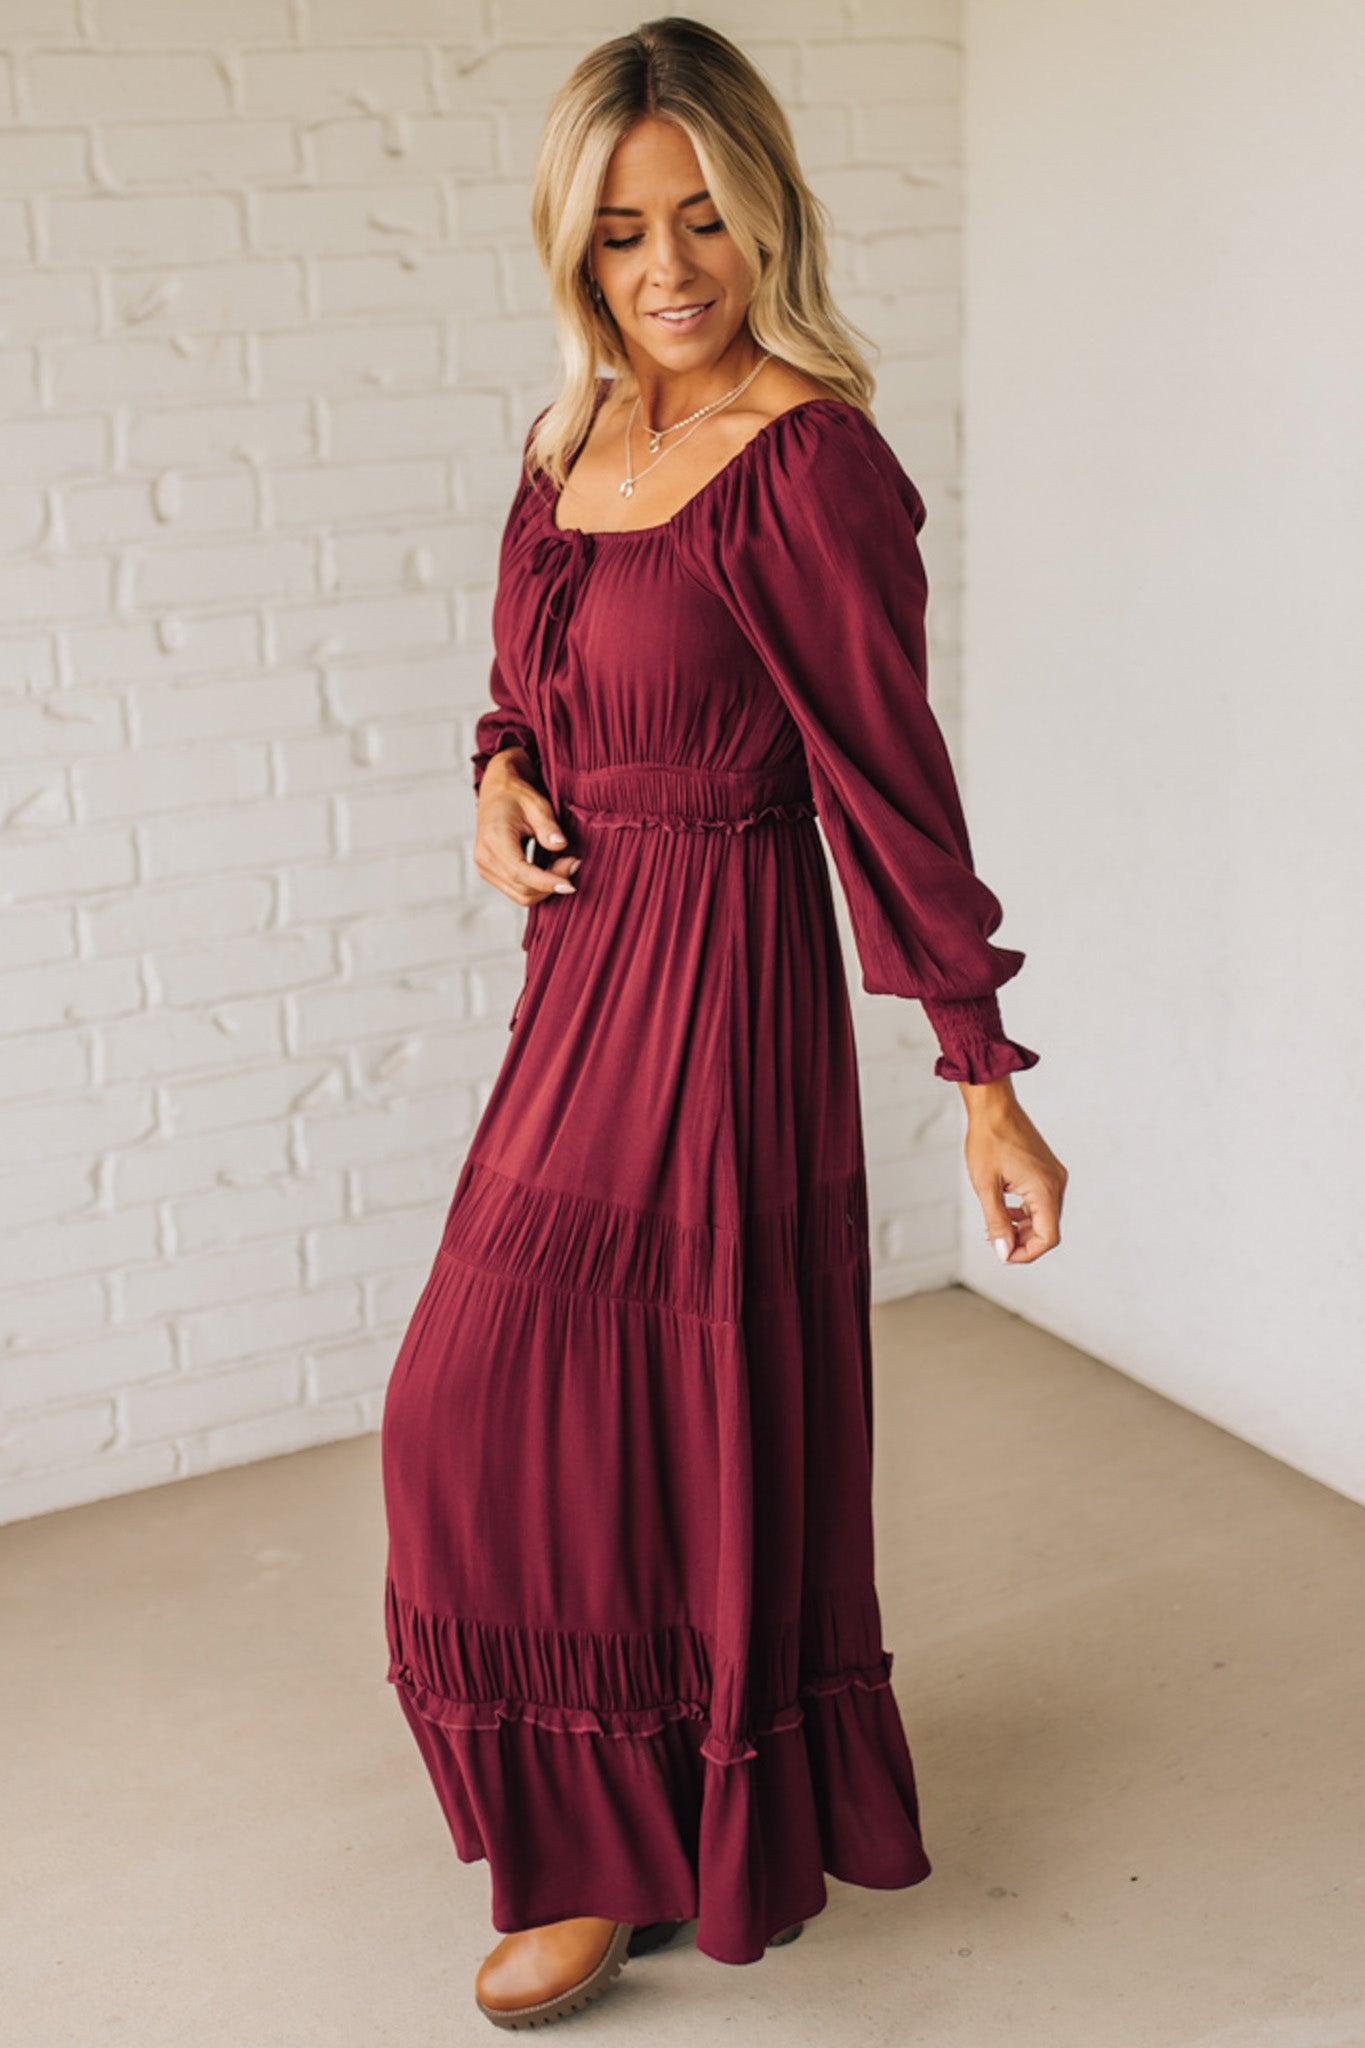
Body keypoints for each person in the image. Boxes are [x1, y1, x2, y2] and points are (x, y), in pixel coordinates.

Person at [380, 16, 1068, 2032]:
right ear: (568, 251)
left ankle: (632, 1852)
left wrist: (982, 1077)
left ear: (765, 213)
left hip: (723, 980)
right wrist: (492, 771)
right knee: (475, 1402)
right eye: (617, 233)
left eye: (700, 218)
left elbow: (889, 783)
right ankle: (611, 1825)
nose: (666, 266)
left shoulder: (807, 462)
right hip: (582, 970)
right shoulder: (563, 451)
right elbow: (532, 682)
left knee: (657, 1402)